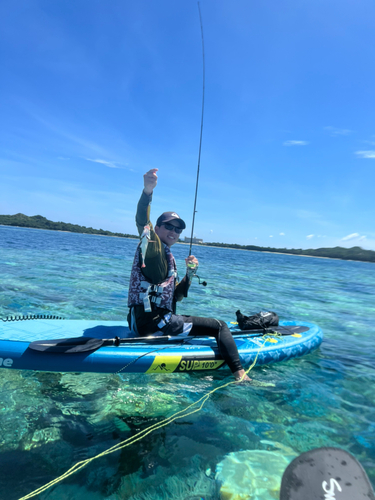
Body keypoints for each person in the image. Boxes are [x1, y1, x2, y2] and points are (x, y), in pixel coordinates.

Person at [127, 168, 250, 382]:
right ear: (156, 228)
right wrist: (147, 191)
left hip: (139, 322)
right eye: (168, 227)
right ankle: (241, 375)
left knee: (200, 323)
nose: (174, 232)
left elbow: (177, 296)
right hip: (155, 325)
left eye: (178, 230)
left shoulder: (165, 257)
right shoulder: (153, 246)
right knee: (220, 325)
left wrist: (189, 274)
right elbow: (141, 221)